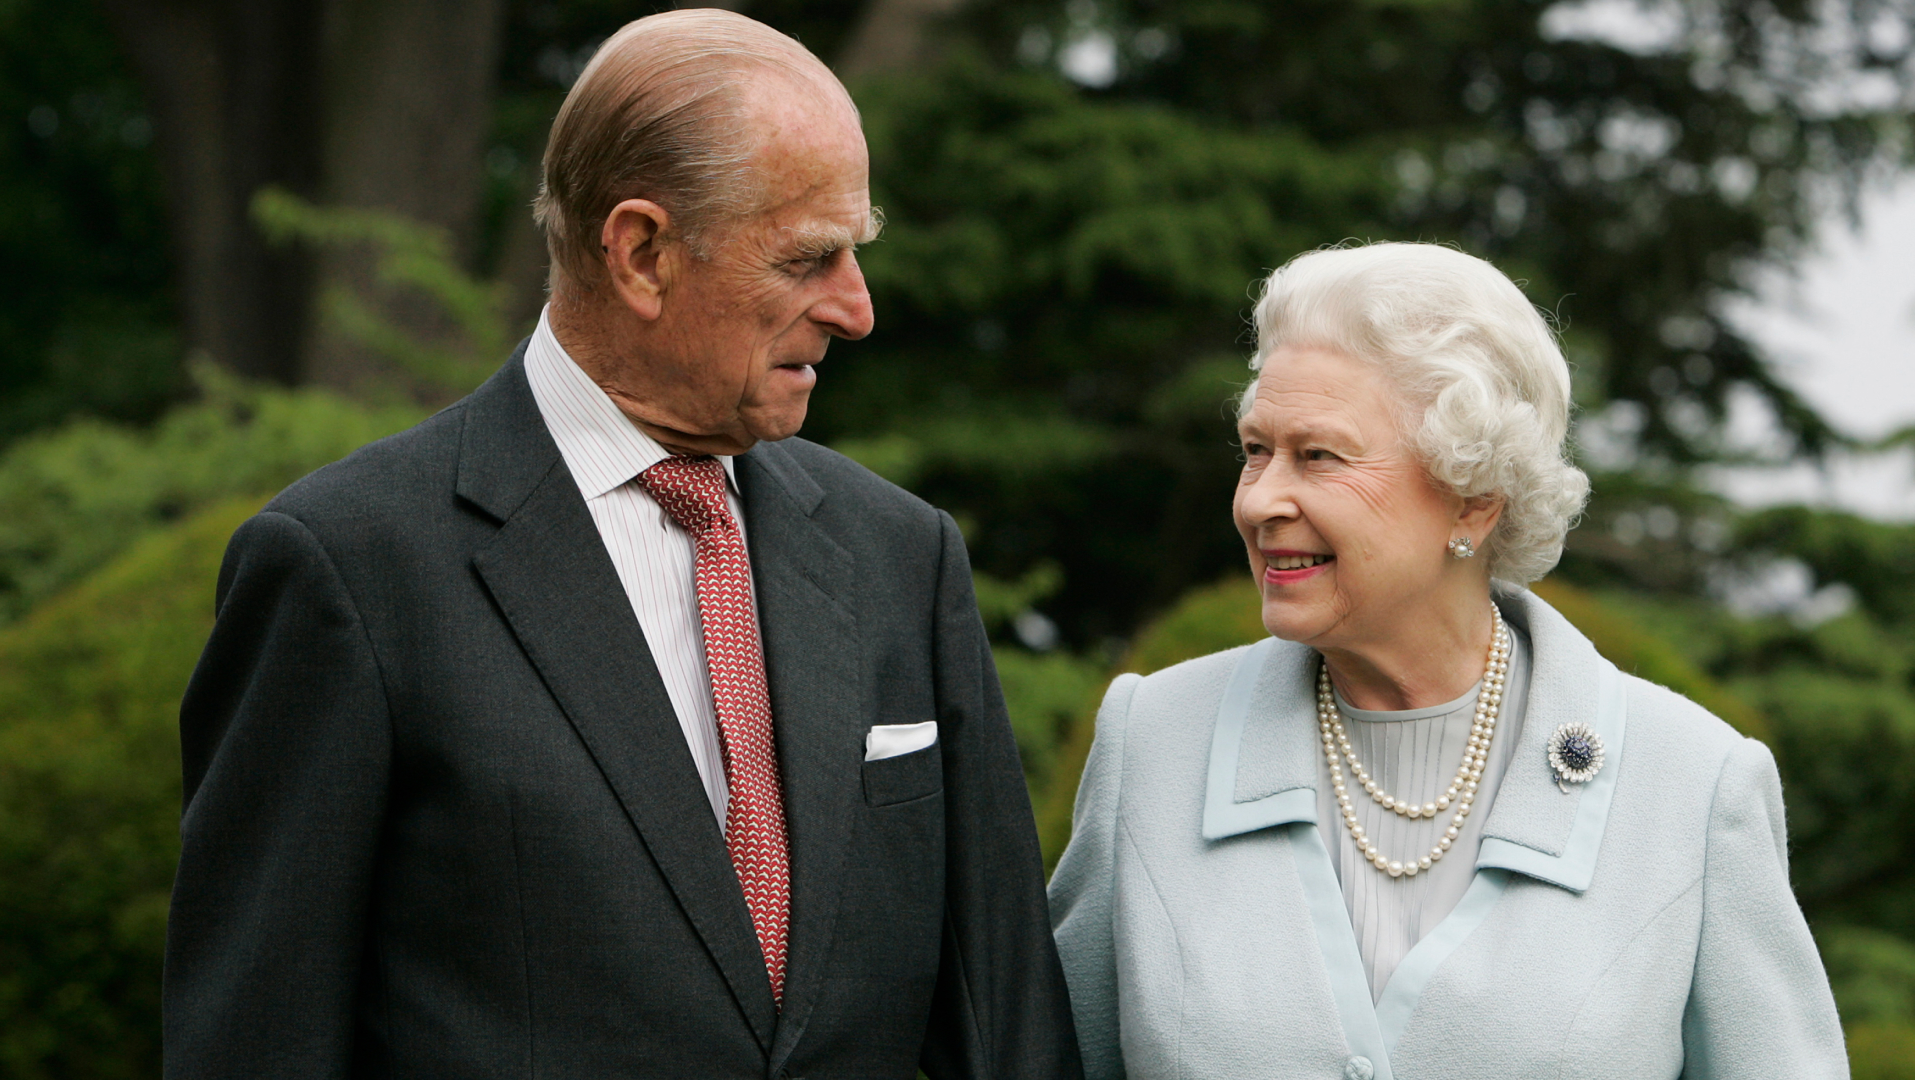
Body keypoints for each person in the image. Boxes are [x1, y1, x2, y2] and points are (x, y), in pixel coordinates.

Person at [164, 11, 1080, 1078]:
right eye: (808, 258)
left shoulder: (902, 557)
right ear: (642, 252)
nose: (857, 309)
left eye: (855, 253)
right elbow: (255, 1044)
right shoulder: (348, 569)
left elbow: (1009, 1028)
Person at [1047, 242, 1846, 1079]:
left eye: (1319, 456)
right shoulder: (1154, 741)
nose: (1260, 500)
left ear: (1473, 495)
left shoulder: (1692, 784)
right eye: (1256, 449)